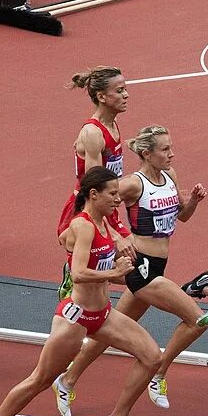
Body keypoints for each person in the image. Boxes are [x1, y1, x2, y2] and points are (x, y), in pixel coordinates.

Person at [50, 125, 208, 416]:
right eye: (165, 149)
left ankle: (66, 380)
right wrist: (119, 235)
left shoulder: (170, 176)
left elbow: (182, 216)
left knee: (105, 333)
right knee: (197, 319)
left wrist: (193, 200)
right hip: (140, 267)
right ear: (146, 153)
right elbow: (99, 205)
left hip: (158, 263)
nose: (171, 153)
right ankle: (160, 372)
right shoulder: (131, 184)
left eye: (171, 148)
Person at [0, 167, 162, 416]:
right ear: (94, 194)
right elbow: (78, 273)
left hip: (102, 315)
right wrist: (115, 273)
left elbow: (88, 255)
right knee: (40, 380)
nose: (118, 199)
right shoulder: (84, 225)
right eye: (112, 194)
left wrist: (115, 261)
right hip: (76, 318)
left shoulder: (102, 222)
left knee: (152, 357)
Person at [56, 65, 134, 298]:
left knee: (135, 270)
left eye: (125, 89)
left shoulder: (112, 125)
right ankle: (74, 281)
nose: (126, 95)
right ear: (101, 96)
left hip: (106, 205)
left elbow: (111, 181)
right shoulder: (93, 133)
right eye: (119, 91)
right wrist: (115, 234)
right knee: (132, 272)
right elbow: (94, 190)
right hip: (87, 210)